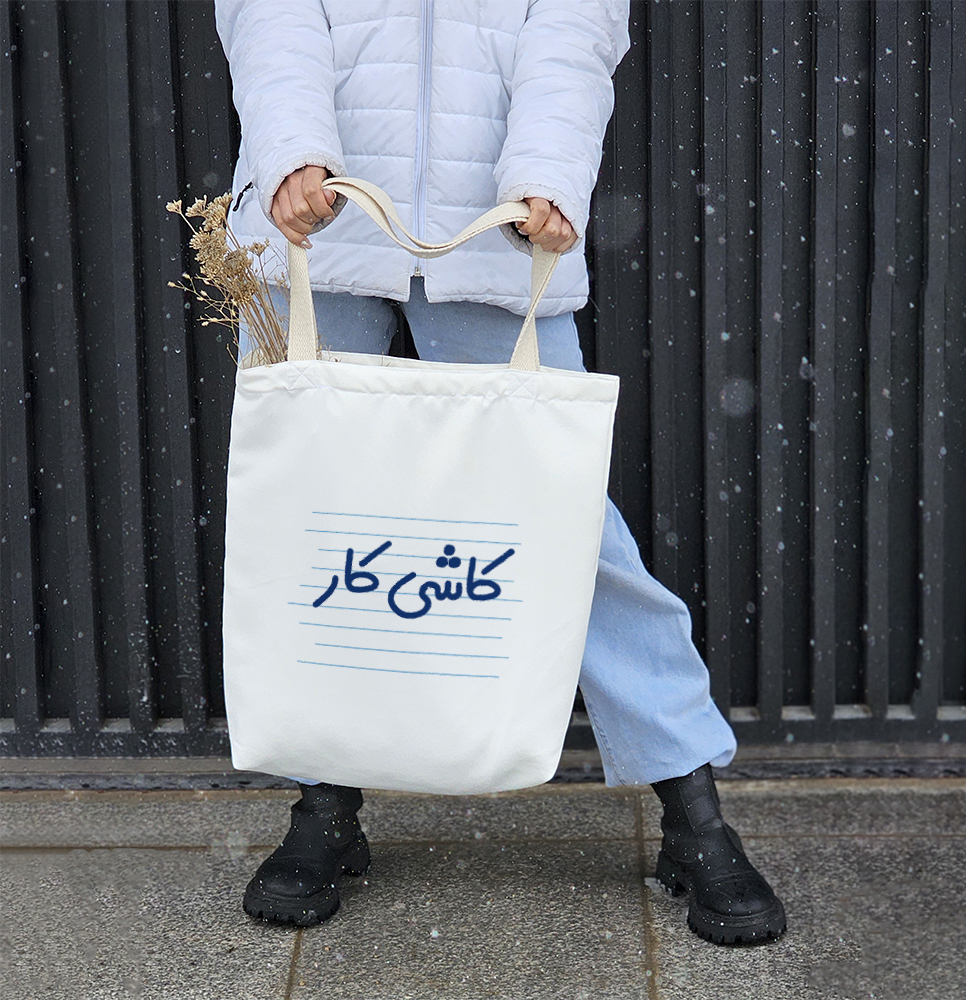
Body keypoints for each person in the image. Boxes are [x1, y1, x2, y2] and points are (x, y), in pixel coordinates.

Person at [215, 0, 786, 946]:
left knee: (566, 530)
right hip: (315, 229)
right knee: (316, 534)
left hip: (495, 233)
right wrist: (292, 153)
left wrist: (548, 174)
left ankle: (693, 813)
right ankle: (323, 803)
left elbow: (573, 28)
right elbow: (272, 15)